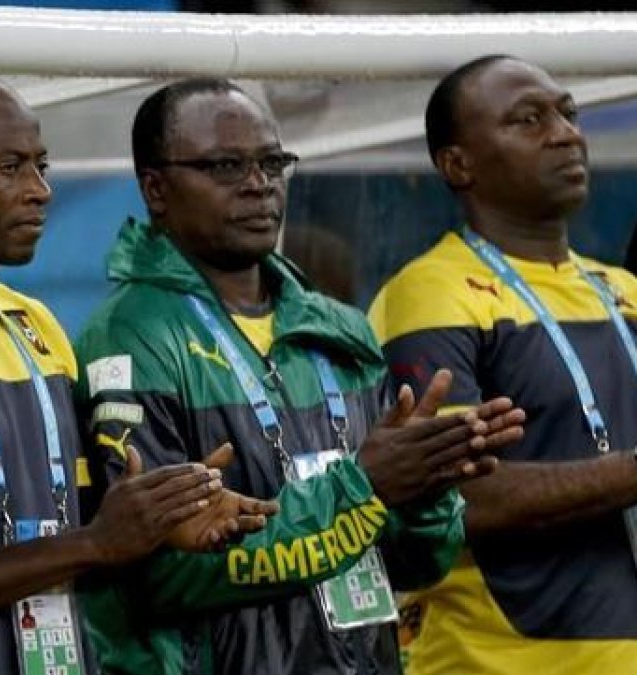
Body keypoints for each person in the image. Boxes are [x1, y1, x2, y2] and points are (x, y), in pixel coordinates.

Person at [73, 77, 526, 674]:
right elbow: (161, 572)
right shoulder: (131, 340)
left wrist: (427, 495)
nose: (258, 184)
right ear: (156, 188)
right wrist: (363, 490)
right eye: (226, 165)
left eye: (271, 162)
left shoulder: (339, 327)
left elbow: (413, 564)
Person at [0, 75, 278, 675]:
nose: (39, 191)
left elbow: (82, 523)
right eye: (8, 168)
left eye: (42, 166)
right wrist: (95, 544)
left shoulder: (39, 326)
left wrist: (160, 520)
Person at [369, 55, 637, 675]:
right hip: (497, 662)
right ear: (457, 163)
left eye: (568, 113)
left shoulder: (621, 287)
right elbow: (461, 495)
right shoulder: (431, 293)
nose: (566, 132)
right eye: (529, 119)